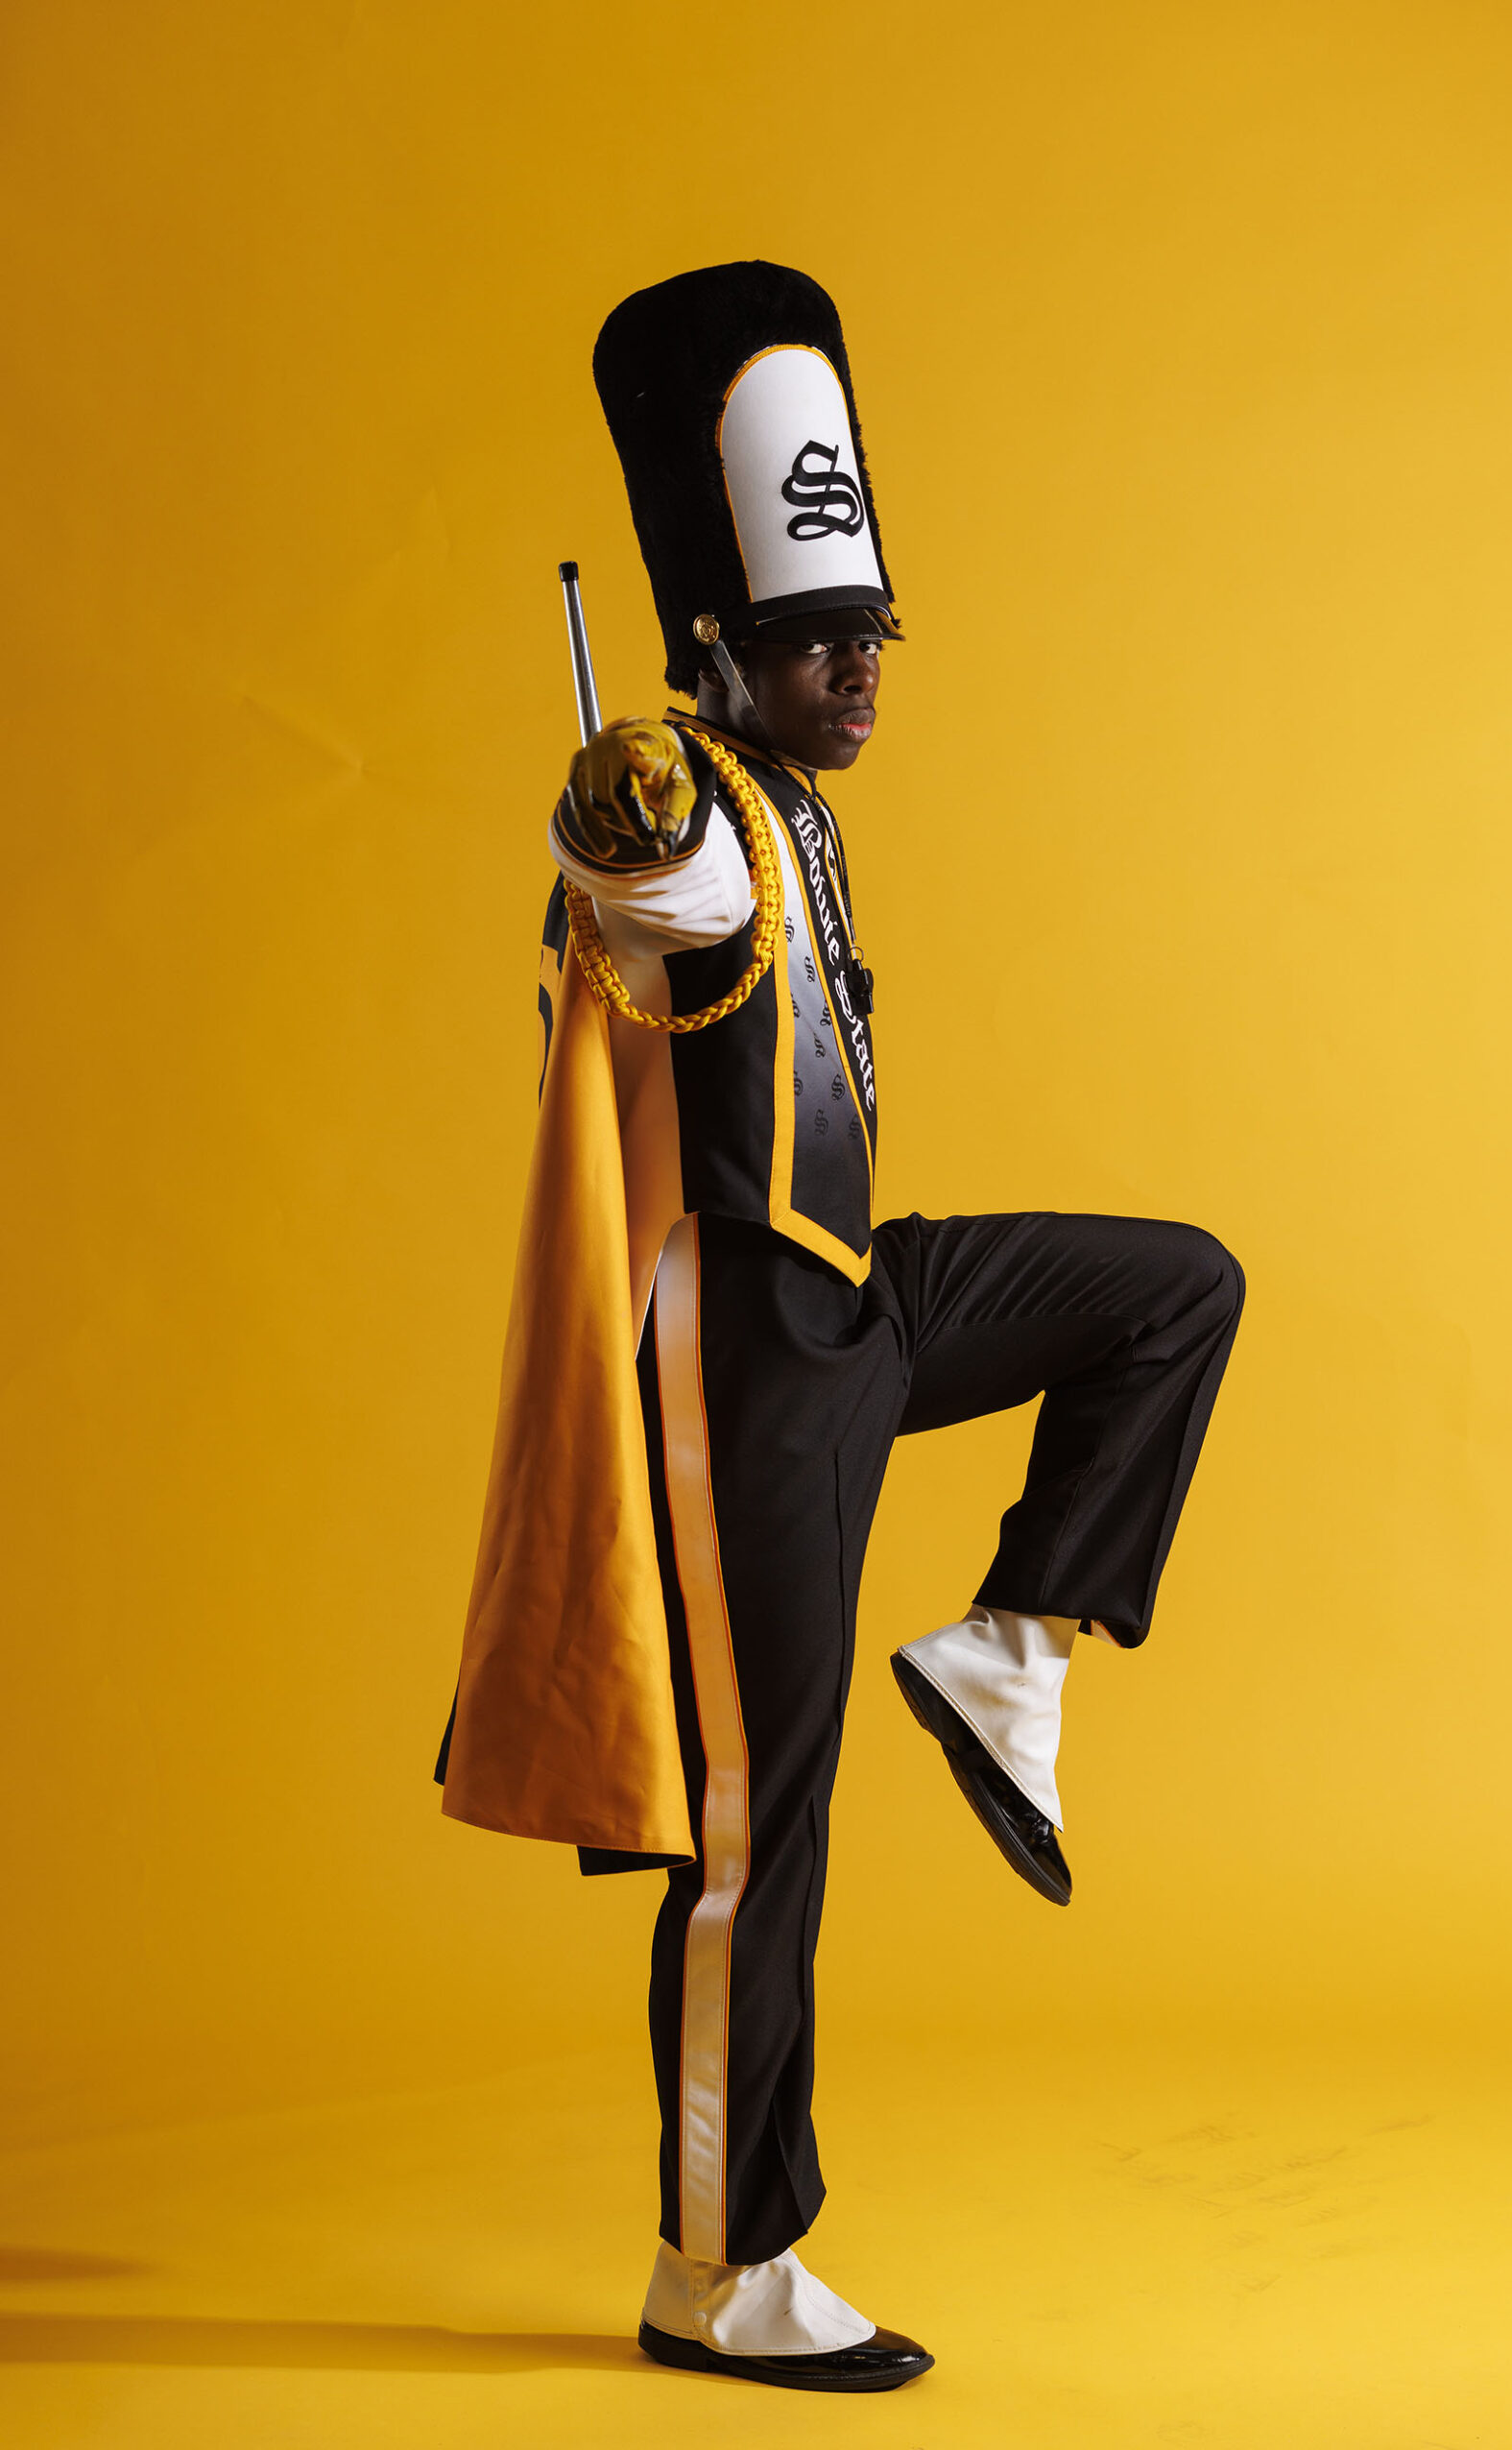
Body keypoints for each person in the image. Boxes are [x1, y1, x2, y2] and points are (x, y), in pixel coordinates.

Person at [436, 262, 1244, 2396]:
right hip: (740, 1363)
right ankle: (721, 2266)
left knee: (1174, 1286)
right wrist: (613, 817)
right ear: (717, 648)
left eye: (874, 633)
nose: (859, 669)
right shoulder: (700, 802)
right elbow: (649, 892)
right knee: (754, 1828)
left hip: (858, 1303)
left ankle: (1010, 1650)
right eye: (817, 639)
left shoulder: (799, 801)